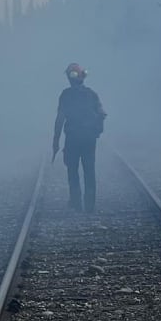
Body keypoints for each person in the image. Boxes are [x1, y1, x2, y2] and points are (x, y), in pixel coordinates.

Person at [51, 63, 106, 213]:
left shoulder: (65, 95)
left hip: (73, 139)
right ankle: (89, 205)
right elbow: (101, 113)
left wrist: (55, 141)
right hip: (89, 139)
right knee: (89, 170)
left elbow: (60, 119)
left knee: (72, 170)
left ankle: (76, 202)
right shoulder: (92, 94)